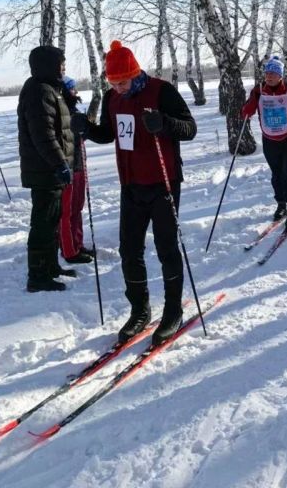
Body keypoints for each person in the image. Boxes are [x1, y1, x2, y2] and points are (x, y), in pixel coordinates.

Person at [72, 40, 197, 345]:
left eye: (123, 82)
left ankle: (172, 311)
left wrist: (164, 123)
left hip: (163, 182)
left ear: (135, 73)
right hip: (130, 184)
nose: (118, 88)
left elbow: (190, 128)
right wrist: (86, 128)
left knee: (167, 248)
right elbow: (109, 133)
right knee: (129, 250)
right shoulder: (112, 98)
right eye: (113, 83)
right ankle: (140, 310)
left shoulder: (161, 91)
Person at [18, 45, 75, 293]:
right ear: (48, 66)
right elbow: (43, 134)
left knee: (52, 221)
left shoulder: (50, 89)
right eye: (60, 64)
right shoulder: (38, 91)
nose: (63, 68)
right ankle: (38, 275)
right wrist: (59, 163)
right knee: (43, 223)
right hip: (45, 171)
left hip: (50, 171)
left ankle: (51, 266)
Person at [242, 56, 287, 227]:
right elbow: (248, 109)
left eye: (273, 74)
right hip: (269, 139)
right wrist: (246, 111)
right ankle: (281, 203)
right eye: (267, 74)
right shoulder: (259, 90)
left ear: (280, 76)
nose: (269, 77)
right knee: (277, 174)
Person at [59, 76, 92, 265]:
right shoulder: (61, 111)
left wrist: (85, 129)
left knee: (78, 206)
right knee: (68, 209)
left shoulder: (73, 111)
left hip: (78, 163)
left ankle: (77, 243)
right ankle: (68, 249)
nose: (76, 92)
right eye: (72, 89)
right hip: (68, 166)